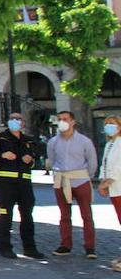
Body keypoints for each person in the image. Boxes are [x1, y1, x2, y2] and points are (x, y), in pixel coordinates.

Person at [0, 112, 44, 259]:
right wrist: (1, 155)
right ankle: (5, 247)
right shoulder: (0, 138)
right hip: (7, 183)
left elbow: (36, 158)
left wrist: (30, 160)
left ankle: (30, 248)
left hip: (25, 183)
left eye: (18, 119)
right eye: (12, 119)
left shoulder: (28, 141)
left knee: (27, 216)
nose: (15, 121)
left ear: (23, 123)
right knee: (6, 215)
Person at [45, 110, 96, 259]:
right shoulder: (53, 142)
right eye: (60, 119)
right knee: (64, 215)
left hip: (80, 179)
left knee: (86, 215)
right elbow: (52, 160)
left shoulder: (84, 141)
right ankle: (65, 245)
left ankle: (90, 247)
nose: (62, 122)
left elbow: (92, 161)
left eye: (65, 119)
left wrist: (88, 176)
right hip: (62, 180)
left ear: (72, 122)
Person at [96, 114, 121, 268]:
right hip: (114, 189)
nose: (109, 126)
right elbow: (105, 164)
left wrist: (107, 182)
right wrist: (103, 180)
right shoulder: (109, 144)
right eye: (107, 123)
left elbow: (119, 167)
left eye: (112, 123)